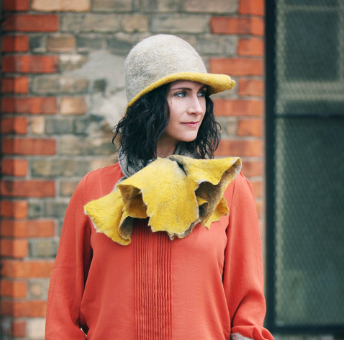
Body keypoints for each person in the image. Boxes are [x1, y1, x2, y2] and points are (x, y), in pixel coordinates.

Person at [45, 34, 274, 340]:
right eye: (181, 94)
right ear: (147, 102)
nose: (197, 108)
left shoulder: (228, 188)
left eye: (202, 94)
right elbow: (63, 311)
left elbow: (246, 310)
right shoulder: (94, 189)